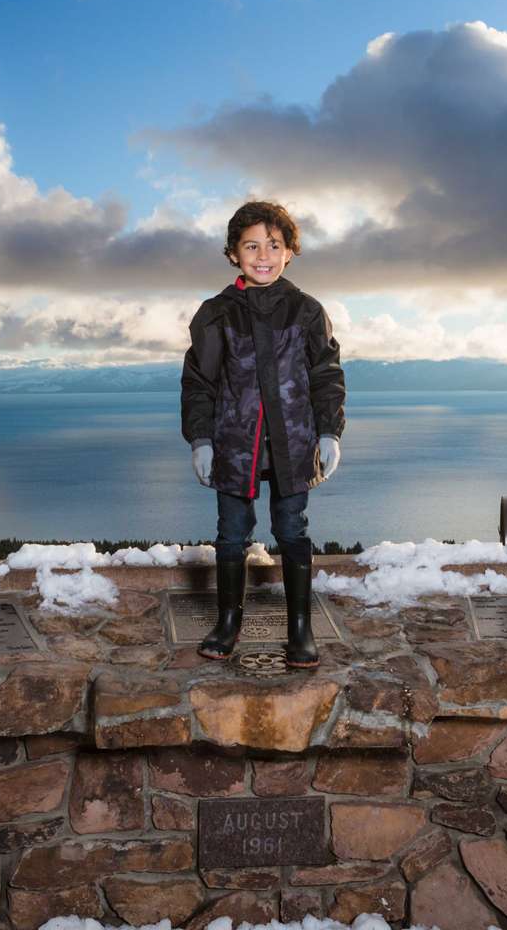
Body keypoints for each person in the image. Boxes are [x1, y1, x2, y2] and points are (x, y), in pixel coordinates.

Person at [180, 199, 345, 667]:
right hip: (235, 443)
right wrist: (202, 440)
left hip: (294, 444)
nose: (263, 255)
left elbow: (326, 375)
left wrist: (329, 433)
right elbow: (199, 382)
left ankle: (300, 629)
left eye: (274, 244)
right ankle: (227, 623)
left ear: (290, 250)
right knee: (231, 534)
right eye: (251, 245)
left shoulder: (307, 311)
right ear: (233, 252)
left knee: (293, 529)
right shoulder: (215, 314)